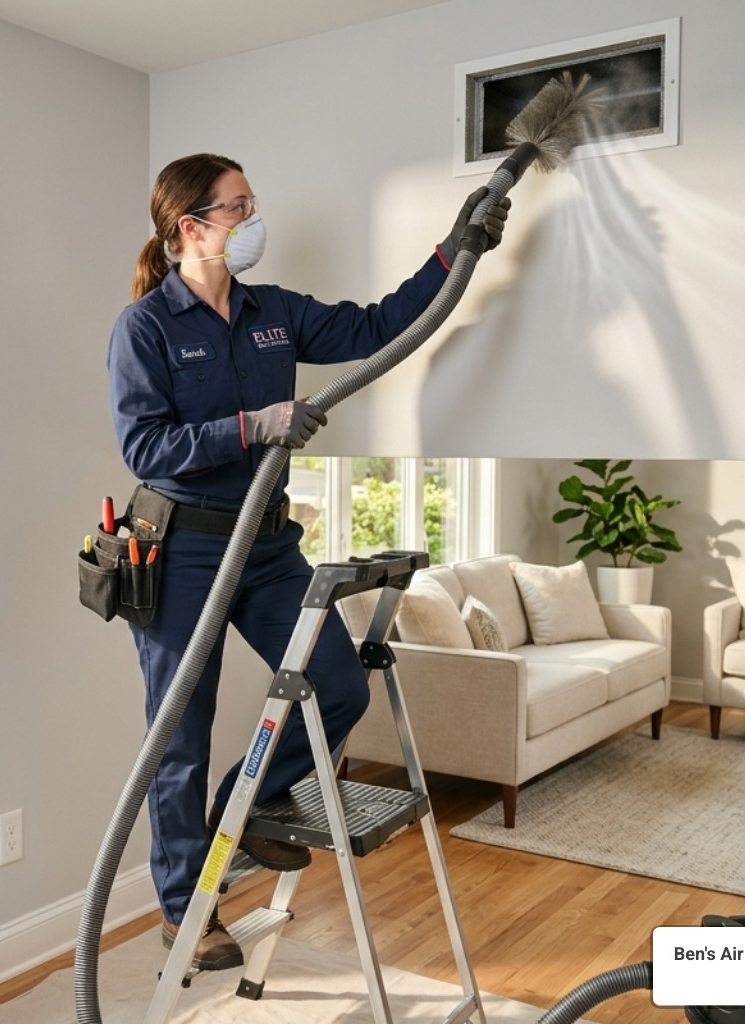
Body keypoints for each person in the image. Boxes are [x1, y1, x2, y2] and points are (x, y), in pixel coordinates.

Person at [107, 153, 508, 971]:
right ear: (193, 227)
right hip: (178, 551)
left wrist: (455, 250)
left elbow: (376, 326)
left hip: (266, 549)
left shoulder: (272, 311)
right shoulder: (146, 326)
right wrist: (254, 427)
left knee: (337, 682)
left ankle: (243, 814)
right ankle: (189, 913)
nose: (254, 220)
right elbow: (144, 444)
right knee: (179, 736)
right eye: (239, 207)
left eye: (253, 204)